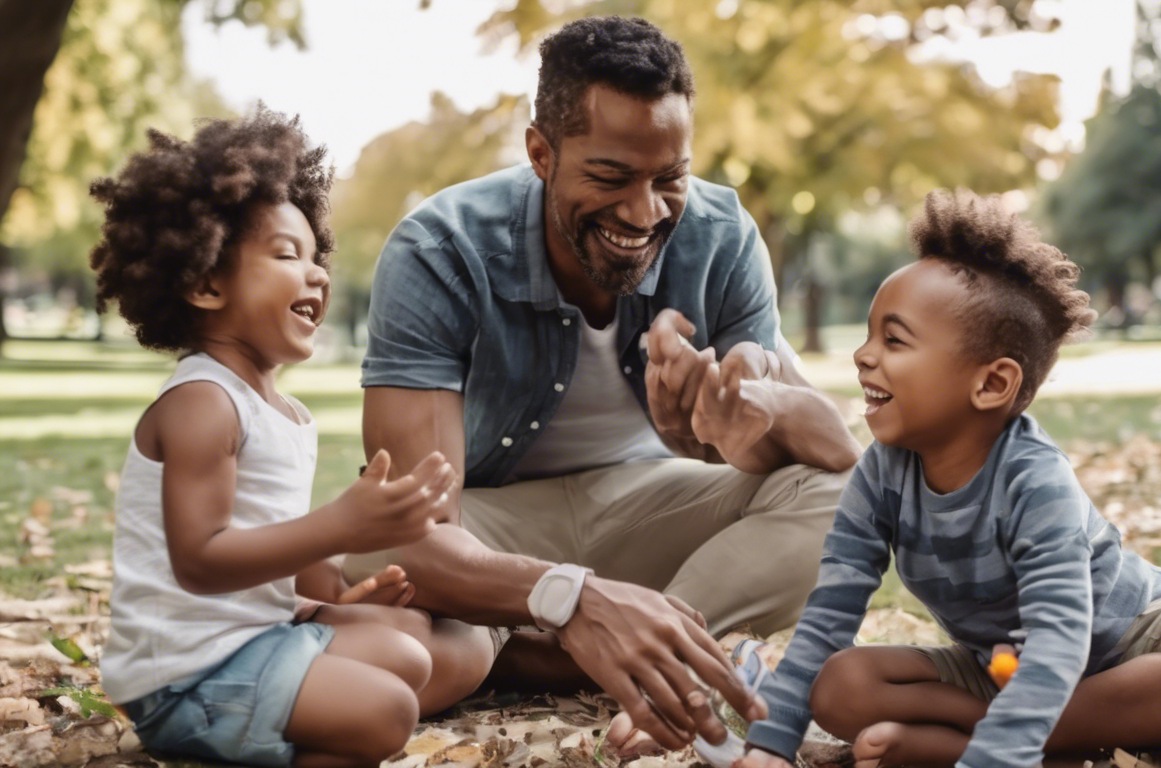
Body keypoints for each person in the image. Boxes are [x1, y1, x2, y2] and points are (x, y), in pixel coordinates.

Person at [343, 14, 862, 752]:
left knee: (857, 494)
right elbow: (412, 526)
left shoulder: (723, 233)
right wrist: (571, 595)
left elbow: (837, 452)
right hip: (488, 524)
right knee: (384, 628)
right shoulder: (442, 247)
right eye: (612, 177)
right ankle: (596, 637)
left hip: (643, 512)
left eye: (669, 178)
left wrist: (756, 404)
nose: (646, 211)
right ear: (541, 153)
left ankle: (643, 653)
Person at [736, 190, 1161, 768]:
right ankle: (1064, 737)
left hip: (1127, 646)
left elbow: (1059, 636)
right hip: (1003, 667)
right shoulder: (881, 474)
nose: (862, 355)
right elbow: (831, 612)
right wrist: (771, 745)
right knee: (841, 684)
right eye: (869, 335)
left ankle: (987, 744)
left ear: (991, 384)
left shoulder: (1035, 479)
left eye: (893, 339)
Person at [92, 110, 497, 768]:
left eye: (316, 257)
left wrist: (335, 593)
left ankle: (286, 722)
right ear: (204, 281)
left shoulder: (284, 412)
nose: (315, 275)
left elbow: (274, 560)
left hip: (249, 638)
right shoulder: (203, 402)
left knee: (407, 641)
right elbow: (201, 561)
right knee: (389, 711)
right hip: (186, 676)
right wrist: (340, 525)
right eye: (286, 255)